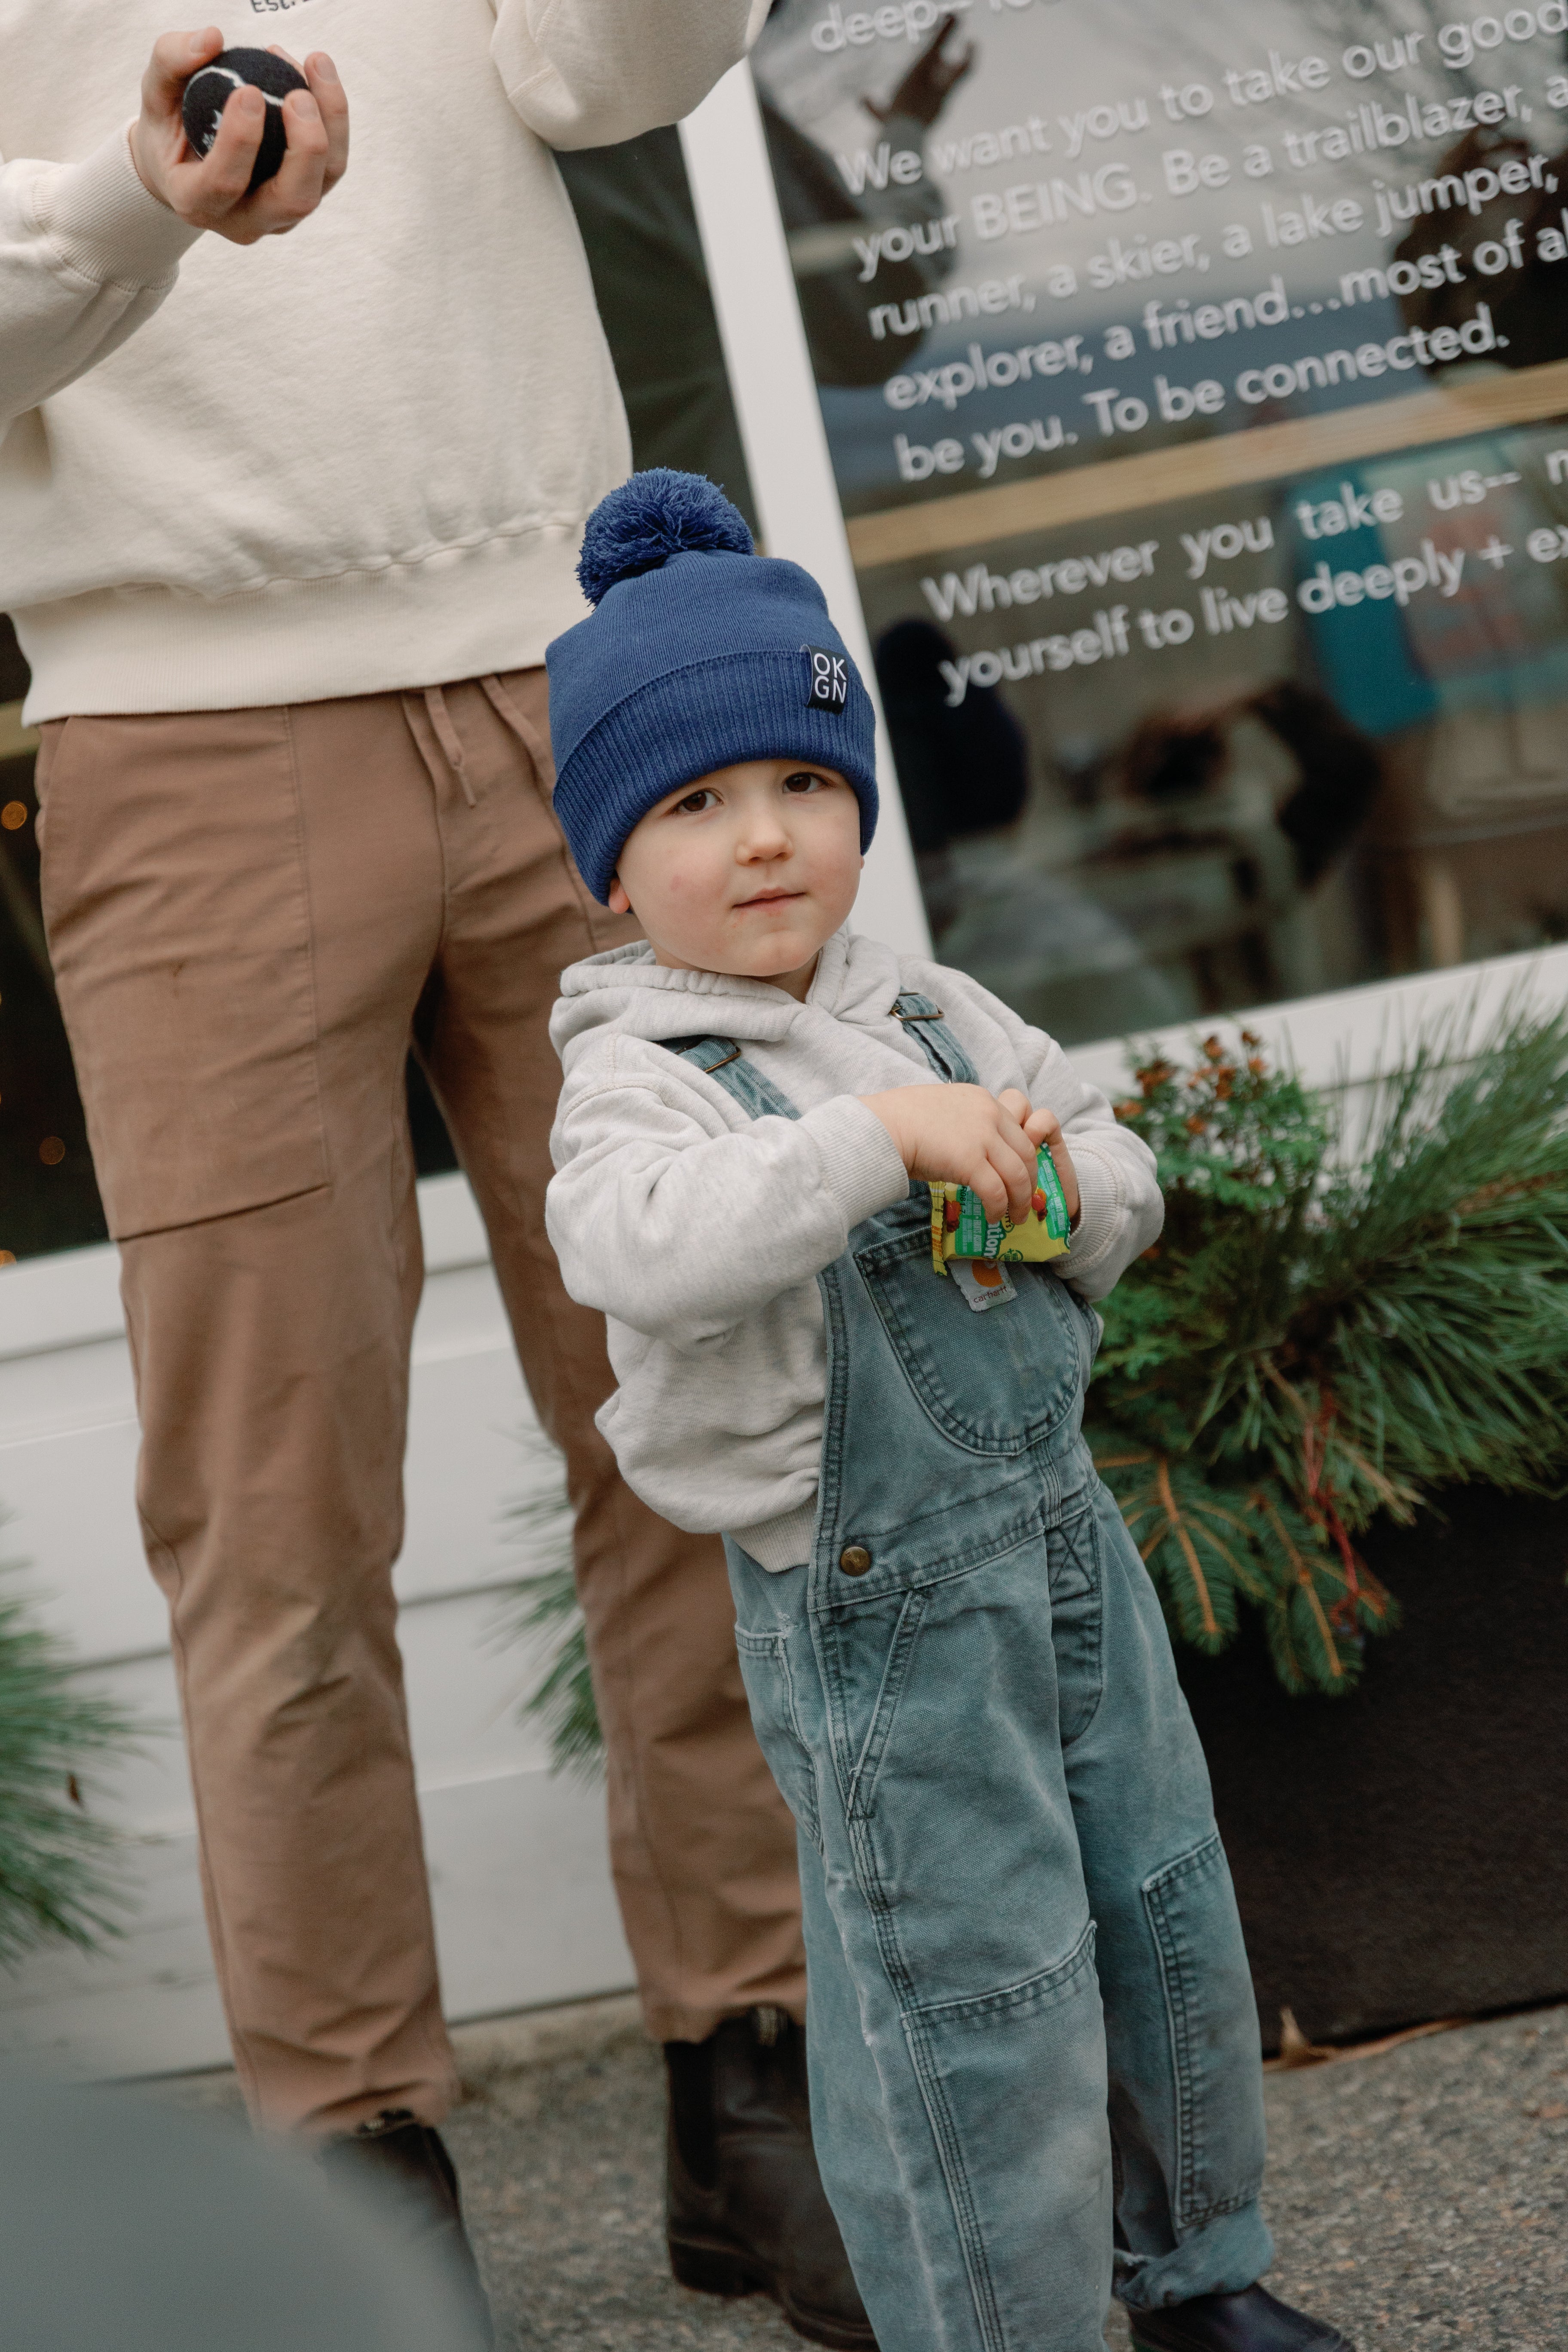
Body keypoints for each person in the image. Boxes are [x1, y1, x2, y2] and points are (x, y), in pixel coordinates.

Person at [0, 15, 871, 2342]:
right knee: (274, 1502)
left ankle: (757, 2070)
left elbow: (604, 70)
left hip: (566, 685)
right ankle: (360, 2166)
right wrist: (131, 201)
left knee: (696, 1379)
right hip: (176, 740)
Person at [543, 470, 1356, 2352]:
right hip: (870, 1597)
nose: (765, 839)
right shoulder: (642, 1080)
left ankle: (1199, 2276)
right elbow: (641, 1252)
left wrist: (1070, 1188)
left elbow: (1110, 1159)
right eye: (696, 805)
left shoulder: (932, 1009)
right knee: (966, 1988)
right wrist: (868, 1146)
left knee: (1160, 1907)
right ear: (608, 864)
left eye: (806, 787)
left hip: (1063, 1538)